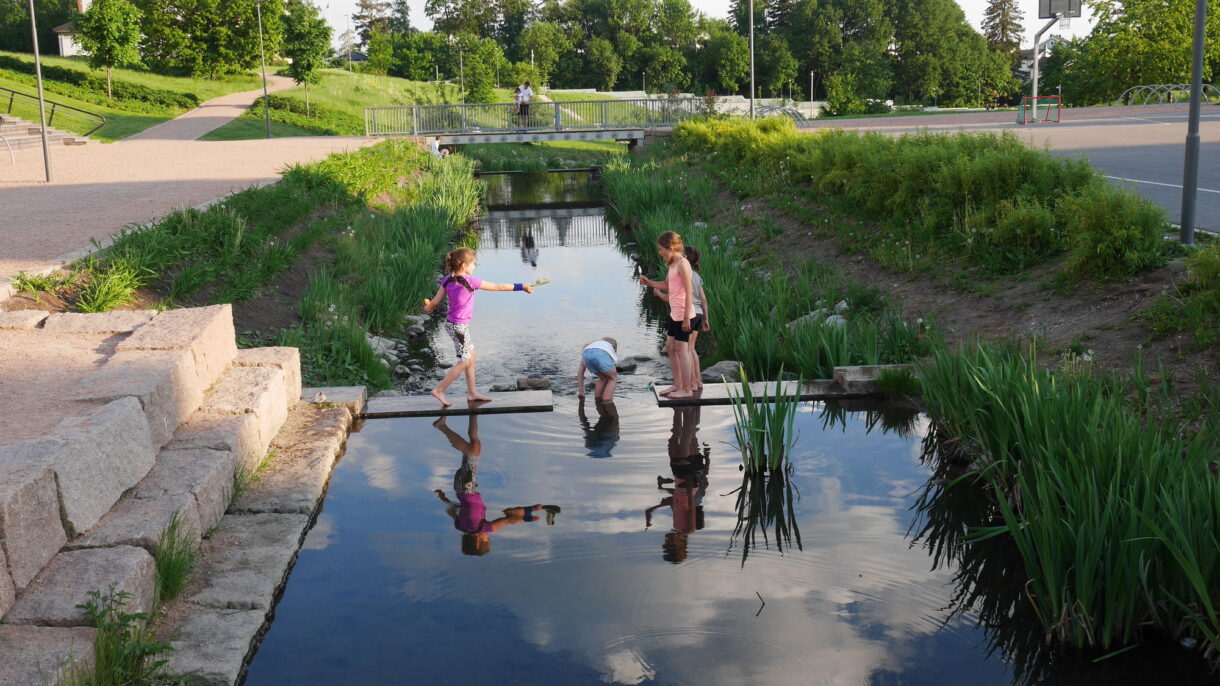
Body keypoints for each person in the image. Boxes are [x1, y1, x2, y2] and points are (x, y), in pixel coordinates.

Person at [432, 415, 560, 556]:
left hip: (467, 488)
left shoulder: (482, 528)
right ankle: (472, 412)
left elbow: (507, 520)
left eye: (487, 540)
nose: (488, 536)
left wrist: (529, 514)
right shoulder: (460, 526)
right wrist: (442, 497)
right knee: (474, 447)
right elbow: (451, 510)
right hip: (461, 488)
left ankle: (442, 426)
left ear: (478, 542)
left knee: (473, 449)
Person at [424, 248, 534, 406]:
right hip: (458, 327)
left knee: (472, 356)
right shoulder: (470, 281)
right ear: (463, 265)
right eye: (473, 264)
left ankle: (472, 393)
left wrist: (428, 308)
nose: (474, 267)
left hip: (456, 325)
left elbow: (434, 302)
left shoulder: (447, 280)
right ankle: (439, 390)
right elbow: (498, 286)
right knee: (464, 361)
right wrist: (521, 286)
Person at [645, 406, 709, 564]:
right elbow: (690, 504)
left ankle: (679, 410)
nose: (665, 542)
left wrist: (653, 509)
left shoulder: (677, 526)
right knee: (684, 442)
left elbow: (677, 503)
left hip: (681, 479)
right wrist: (688, 481)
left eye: (665, 544)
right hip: (687, 480)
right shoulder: (689, 529)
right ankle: (686, 411)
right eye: (667, 544)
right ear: (678, 546)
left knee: (674, 441)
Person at [640, 231, 697, 399]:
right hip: (675, 313)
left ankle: (687, 389)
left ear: (670, 247)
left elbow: (689, 291)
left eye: (661, 249)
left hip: (683, 315)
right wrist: (650, 283)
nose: (660, 253)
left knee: (682, 350)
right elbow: (667, 284)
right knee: (670, 347)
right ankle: (678, 384)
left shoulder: (683, 264)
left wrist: (686, 317)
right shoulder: (672, 264)